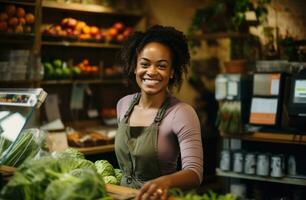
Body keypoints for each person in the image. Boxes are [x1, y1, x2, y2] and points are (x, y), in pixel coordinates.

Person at [114, 25, 203, 200]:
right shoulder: (123, 105)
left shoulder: (182, 113)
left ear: (171, 72)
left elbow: (195, 172)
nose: (151, 72)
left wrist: (165, 182)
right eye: (145, 64)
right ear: (135, 67)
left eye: (161, 66)